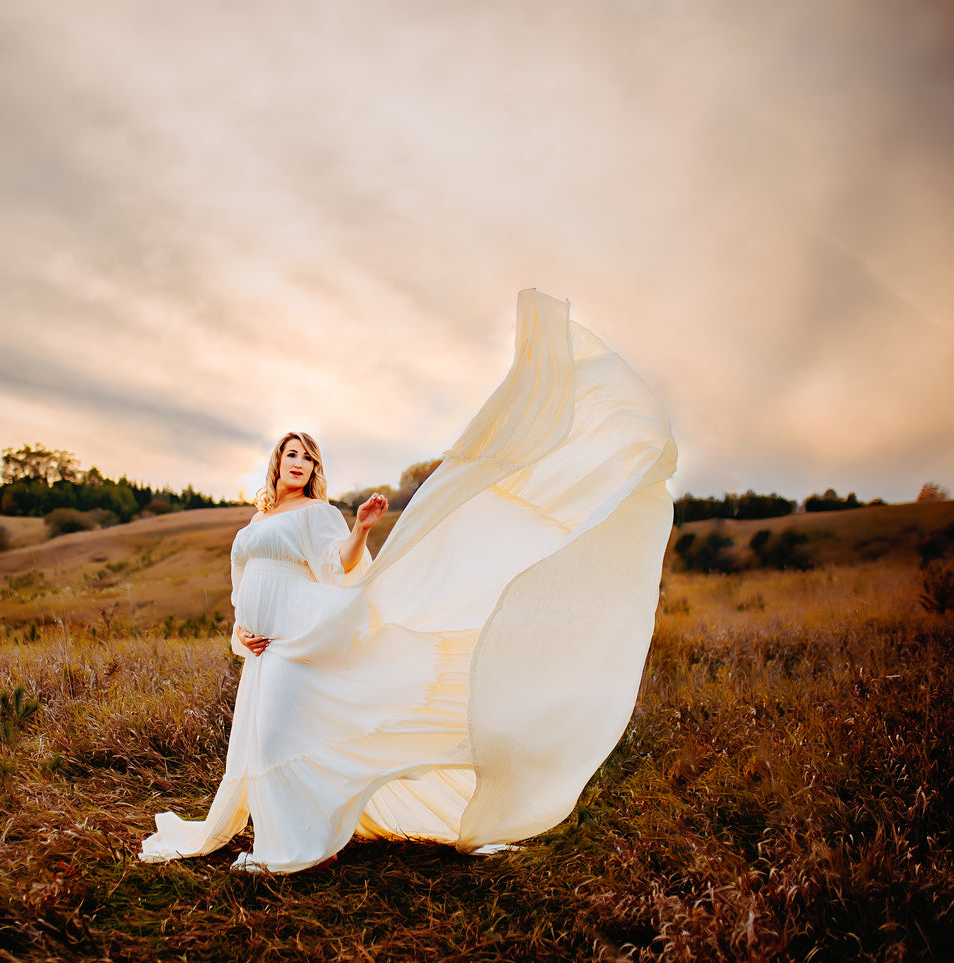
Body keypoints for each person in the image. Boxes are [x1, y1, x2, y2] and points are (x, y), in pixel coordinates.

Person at [140, 289, 677, 873]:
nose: (299, 463)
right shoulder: (256, 522)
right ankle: (289, 834)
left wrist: (363, 528)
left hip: (302, 637)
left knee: (283, 740)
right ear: (276, 462)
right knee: (262, 742)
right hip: (262, 645)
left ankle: (293, 846)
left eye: (308, 458)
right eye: (291, 454)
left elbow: (336, 565)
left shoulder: (318, 514)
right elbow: (242, 581)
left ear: (315, 470)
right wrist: (242, 629)